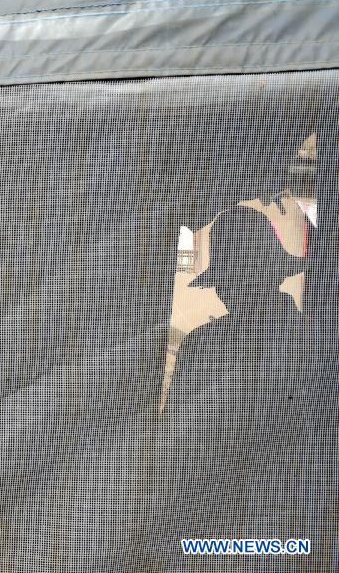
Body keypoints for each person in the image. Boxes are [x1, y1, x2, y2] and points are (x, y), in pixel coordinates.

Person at [157, 206, 331, 569]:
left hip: (251, 530)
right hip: (265, 531)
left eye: (235, 278)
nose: (226, 289)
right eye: (227, 279)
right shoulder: (313, 341)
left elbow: (173, 455)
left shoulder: (307, 345)